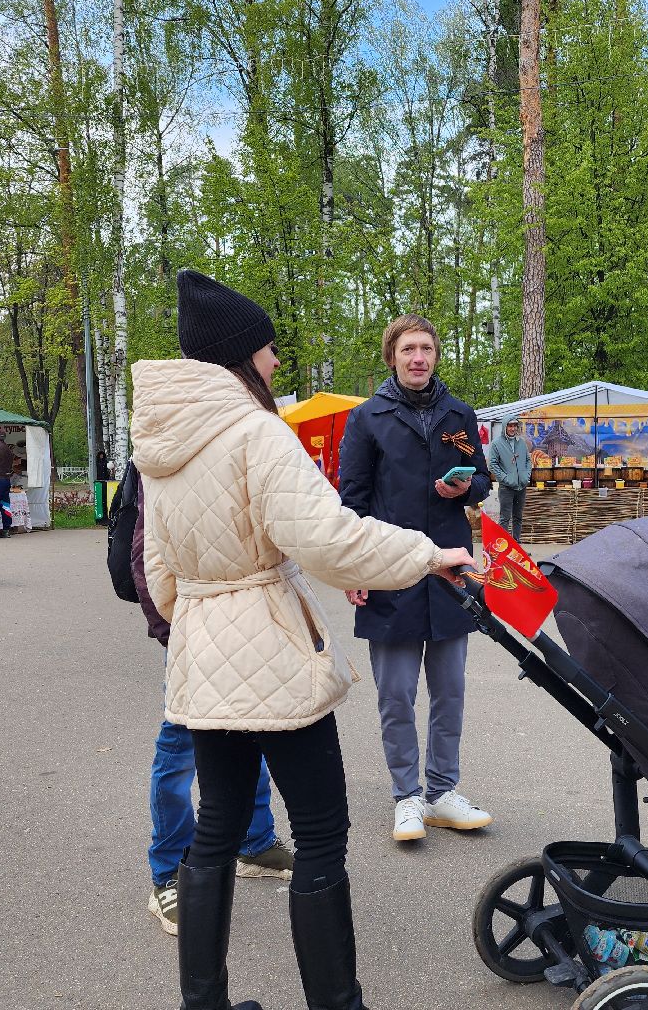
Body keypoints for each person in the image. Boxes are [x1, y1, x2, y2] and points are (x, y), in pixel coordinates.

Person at [131, 269, 475, 1010]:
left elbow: (156, 569)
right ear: (239, 355)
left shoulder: (158, 444)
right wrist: (427, 554)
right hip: (271, 654)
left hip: (204, 654)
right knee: (321, 834)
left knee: (215, 828)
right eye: (268, 349)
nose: (277, 363)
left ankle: (205, 1003)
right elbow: (327, 539)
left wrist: (200, 616)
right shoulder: (254, 432)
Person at [338, 314, 494, 844]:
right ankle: (407, 797)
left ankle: (443, 791)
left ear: (435, 355)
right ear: (392, 356)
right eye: (408, 349)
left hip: (451, 573)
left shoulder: (459, 415)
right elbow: (352, 504)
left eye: (426, 348)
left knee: (450, 691)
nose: (418, 357)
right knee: (397, 694)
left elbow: (483, 481)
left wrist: (466, 490)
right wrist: (354, 570)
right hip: (390, 571)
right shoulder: (367, 419)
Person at [125, 462, 295, 939]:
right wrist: (174, 634)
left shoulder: (244, 433)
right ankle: (169, 873)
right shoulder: (170, 444)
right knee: (179, 750)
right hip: (194, 631)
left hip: (247, 627)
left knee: (253, 732)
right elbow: (146, 554)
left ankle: (254, 843)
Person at [486, 417, 530, 540]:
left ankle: (516, 546)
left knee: (518, 517)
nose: (513, 428)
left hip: (521, 486)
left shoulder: (521, 442)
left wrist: (526, 476)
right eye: (510, 426)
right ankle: (504, 548)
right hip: (506, 488)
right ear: (505, 426)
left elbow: (528, 460)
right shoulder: (497, 443)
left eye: (515, 426)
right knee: (505, 518)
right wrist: (505, 478)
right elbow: (493, 465)